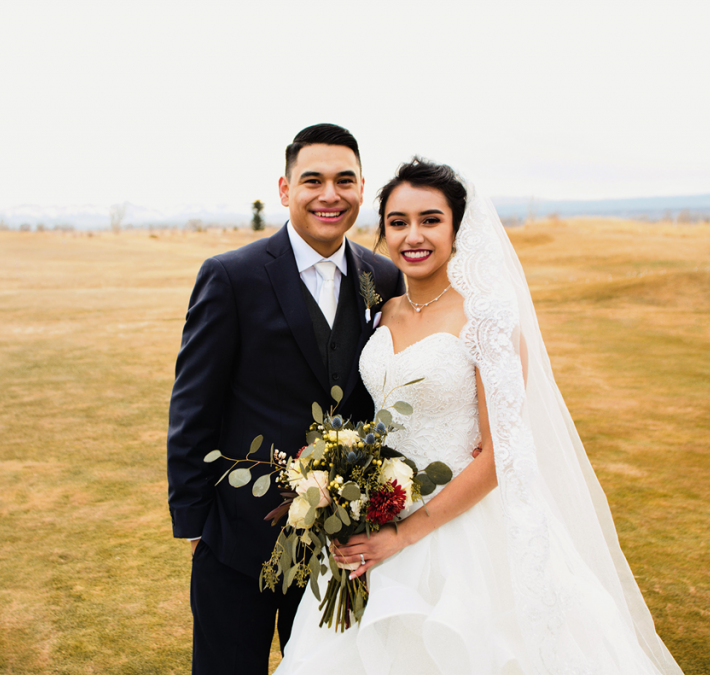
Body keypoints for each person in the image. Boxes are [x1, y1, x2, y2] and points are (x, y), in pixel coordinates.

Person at [275, 158, 684, 674]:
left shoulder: (487, 317)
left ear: (456, 228)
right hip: (376, 518)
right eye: (398, 222)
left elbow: (501, 455)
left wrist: (403, 536)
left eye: (430, 219)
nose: (412, 235)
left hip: (464, 531)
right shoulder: (383, 312)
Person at [167, 124, 405, 674]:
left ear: (362, 187)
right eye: (312, 180)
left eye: (344, 181)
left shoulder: (382, 278)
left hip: (340, 545)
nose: (330, 195)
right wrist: (196, 520)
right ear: (284, 189)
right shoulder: (231, 276)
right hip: (238, 537)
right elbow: (192, 405)